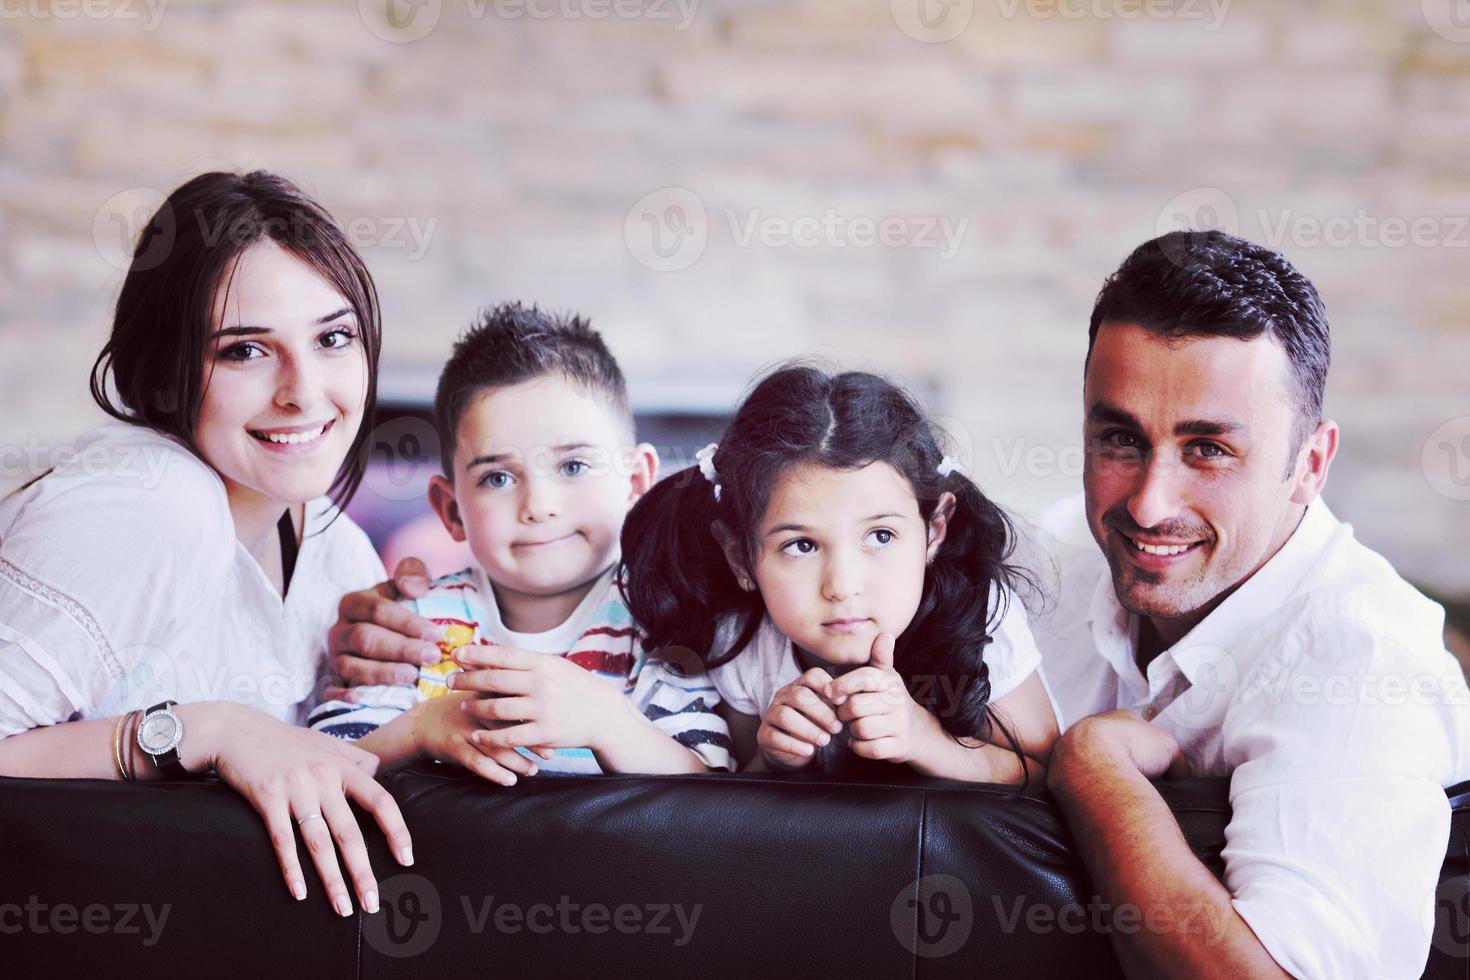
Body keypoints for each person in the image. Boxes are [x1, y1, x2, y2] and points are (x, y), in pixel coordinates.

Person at [1036, 229, 1470, 977]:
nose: (1148, 504)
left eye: (1207, 449)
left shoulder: (1362, 661)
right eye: (1119, 440)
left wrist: (1095, 770)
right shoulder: (1048, 559)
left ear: (1310, 465)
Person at [0, 171, 412, 919]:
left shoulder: (333, 546)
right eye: (245, 352)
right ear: (162, 376)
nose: (305, 390)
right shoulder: (156, 504)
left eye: (333, 337)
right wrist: (203, 728)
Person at [308, 304, 731, 778]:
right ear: (451, 510)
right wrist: (422, 727)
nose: (538, 505)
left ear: (636, 481)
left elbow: (706, 784)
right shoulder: (414, 628)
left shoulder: (661, 619)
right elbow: (325, 767)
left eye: (574, 466)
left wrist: (607, 722)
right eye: (498, 478)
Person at [620, 365, 1058, 780]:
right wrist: (772, 760)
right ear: (740, 557)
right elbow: (737, 801)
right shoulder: (746, 645)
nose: (843, 585)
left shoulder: (982, 622)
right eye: (802, 546)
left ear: (934, 530)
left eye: (881, 536)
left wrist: (924, 738)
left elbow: (1047, 777)